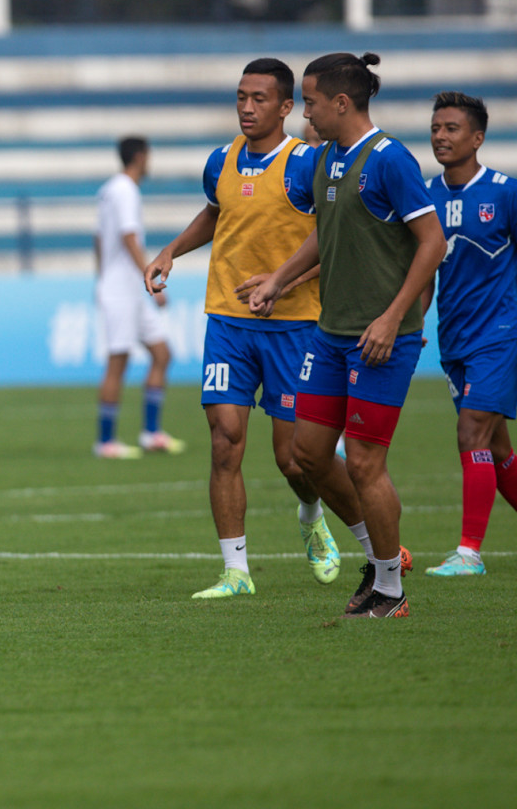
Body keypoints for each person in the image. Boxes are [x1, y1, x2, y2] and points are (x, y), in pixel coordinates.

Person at [146, 58, 364, 599]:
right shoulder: (220, 159)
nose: (247, 107)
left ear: (286, 106)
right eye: (241, 97)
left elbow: (336, 240)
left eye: (259, 99)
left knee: (293, 458)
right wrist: (171, 251)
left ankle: (312, 515)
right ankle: (236, 572)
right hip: (228, 320)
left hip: (294, 327)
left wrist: (286, 284)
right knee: (225, 442)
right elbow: (215, 212)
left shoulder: (307, 165)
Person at [248, 53, 445, 619]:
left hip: (381, 338)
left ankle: (390, 589)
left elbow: (431, 243)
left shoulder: (390, 161)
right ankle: (381, 559)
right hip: (330, 334)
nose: (303, 112)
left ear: (341, 103)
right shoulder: (326, 160)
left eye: (308, 102)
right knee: (307, 455)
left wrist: (392, 317)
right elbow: (325, 232)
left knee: (363, 462)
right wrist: (281, 279)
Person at [421, 91, 517, 576]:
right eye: (436, 127)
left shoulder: (505, 192)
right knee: (497, 449)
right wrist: (413, 323)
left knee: (470, 432)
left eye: (452, 128)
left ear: (477, 138)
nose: (440, 135)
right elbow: (420, 271)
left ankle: (469, 553)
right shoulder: (426, 197)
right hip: (454, 337)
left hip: (501, 333)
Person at [93, 136, 183, 459]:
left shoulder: (109, 190)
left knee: (162, 354)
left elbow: (98, 239)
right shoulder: (126, 190)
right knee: (118, 363)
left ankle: (151, 433)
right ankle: (105, 442)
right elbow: (128, 236)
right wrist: (150, 275)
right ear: (141, 157)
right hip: (123, 290)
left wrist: (100, 277)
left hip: (124, 287)